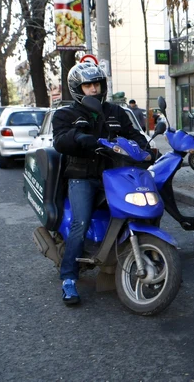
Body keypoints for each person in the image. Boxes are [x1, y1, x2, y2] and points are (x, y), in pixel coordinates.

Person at [53, 62, 149, 305]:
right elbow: (60, 141)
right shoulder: (65, 114)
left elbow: (135, 136)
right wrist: (79, 137)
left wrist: (146, 148)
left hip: (115, 174)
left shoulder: (117, 112)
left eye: (96, 84)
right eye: (88, 85)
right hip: (83, 176)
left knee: (141, 211)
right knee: (80, 222)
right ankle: (68, 279)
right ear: (78, 88)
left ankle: (143, 258)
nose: (94, 89)